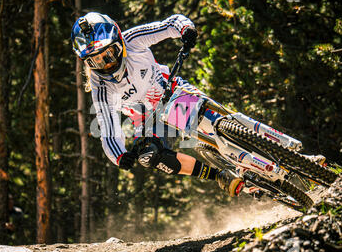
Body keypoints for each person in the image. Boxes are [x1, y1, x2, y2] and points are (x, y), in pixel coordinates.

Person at [71, 13, 245, 197]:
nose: (106, 64)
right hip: (149, 122)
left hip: (171, 94)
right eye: (95, 61)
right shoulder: (101, 87)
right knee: (148, 156)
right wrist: (120, 156)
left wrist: (186, 29)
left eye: (109, 54)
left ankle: (251, 139)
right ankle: (220, 176)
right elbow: (108, 129)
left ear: (119, 42)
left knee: (213, 123)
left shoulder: (132, 40)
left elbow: (169, 24)